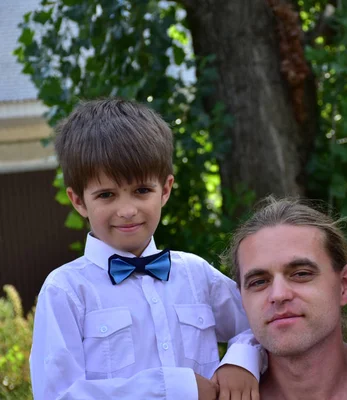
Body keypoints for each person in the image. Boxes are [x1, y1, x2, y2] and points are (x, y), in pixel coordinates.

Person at [30, 99, 261, 400]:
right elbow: (58, 394)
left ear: (165, 190)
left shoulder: (195, 274)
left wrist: (240, 361)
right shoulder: (66, 290)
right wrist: (173, 390)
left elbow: (259, 322)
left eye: (141, 190)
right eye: (106, 195)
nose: (127, 210)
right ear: (78, 201)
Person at [224, 198, 347, 400]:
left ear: (345, 285)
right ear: (242, 299)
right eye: (259, 282)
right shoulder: (220, 394)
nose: (279, 295)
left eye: (301, 274)